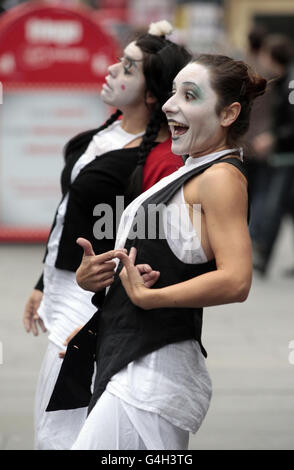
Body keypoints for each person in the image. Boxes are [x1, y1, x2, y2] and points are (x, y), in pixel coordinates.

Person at [47, 54, 266, 450]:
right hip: (132, 365)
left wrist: (152, 297)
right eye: (172, 92)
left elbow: (237, 279)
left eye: (189, 95)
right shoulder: (194, 167)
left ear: (229, 113)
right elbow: (166, 264)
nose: (169, 105)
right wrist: (99, 277)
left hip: (151, 377)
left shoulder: (219, 178)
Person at [22, 20, 191, 450]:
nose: (113, 69)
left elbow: (153, 236)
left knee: (72, 422)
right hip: (65, 286)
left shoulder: (159, 159)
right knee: (51, 420)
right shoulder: (108, 131)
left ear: (153, 93)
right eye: (119, 59)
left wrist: (105, 313)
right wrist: (44, 283)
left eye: (128, 67)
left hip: (95, 299)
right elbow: (69, 215)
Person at [251, 35, 294, 275]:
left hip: (288, 156)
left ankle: (263, 255)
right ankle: (263, 256)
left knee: (274, 205)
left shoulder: (290, 83)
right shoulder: (281, 81)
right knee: (283, 206)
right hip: (283, 154)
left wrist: (275, 137)